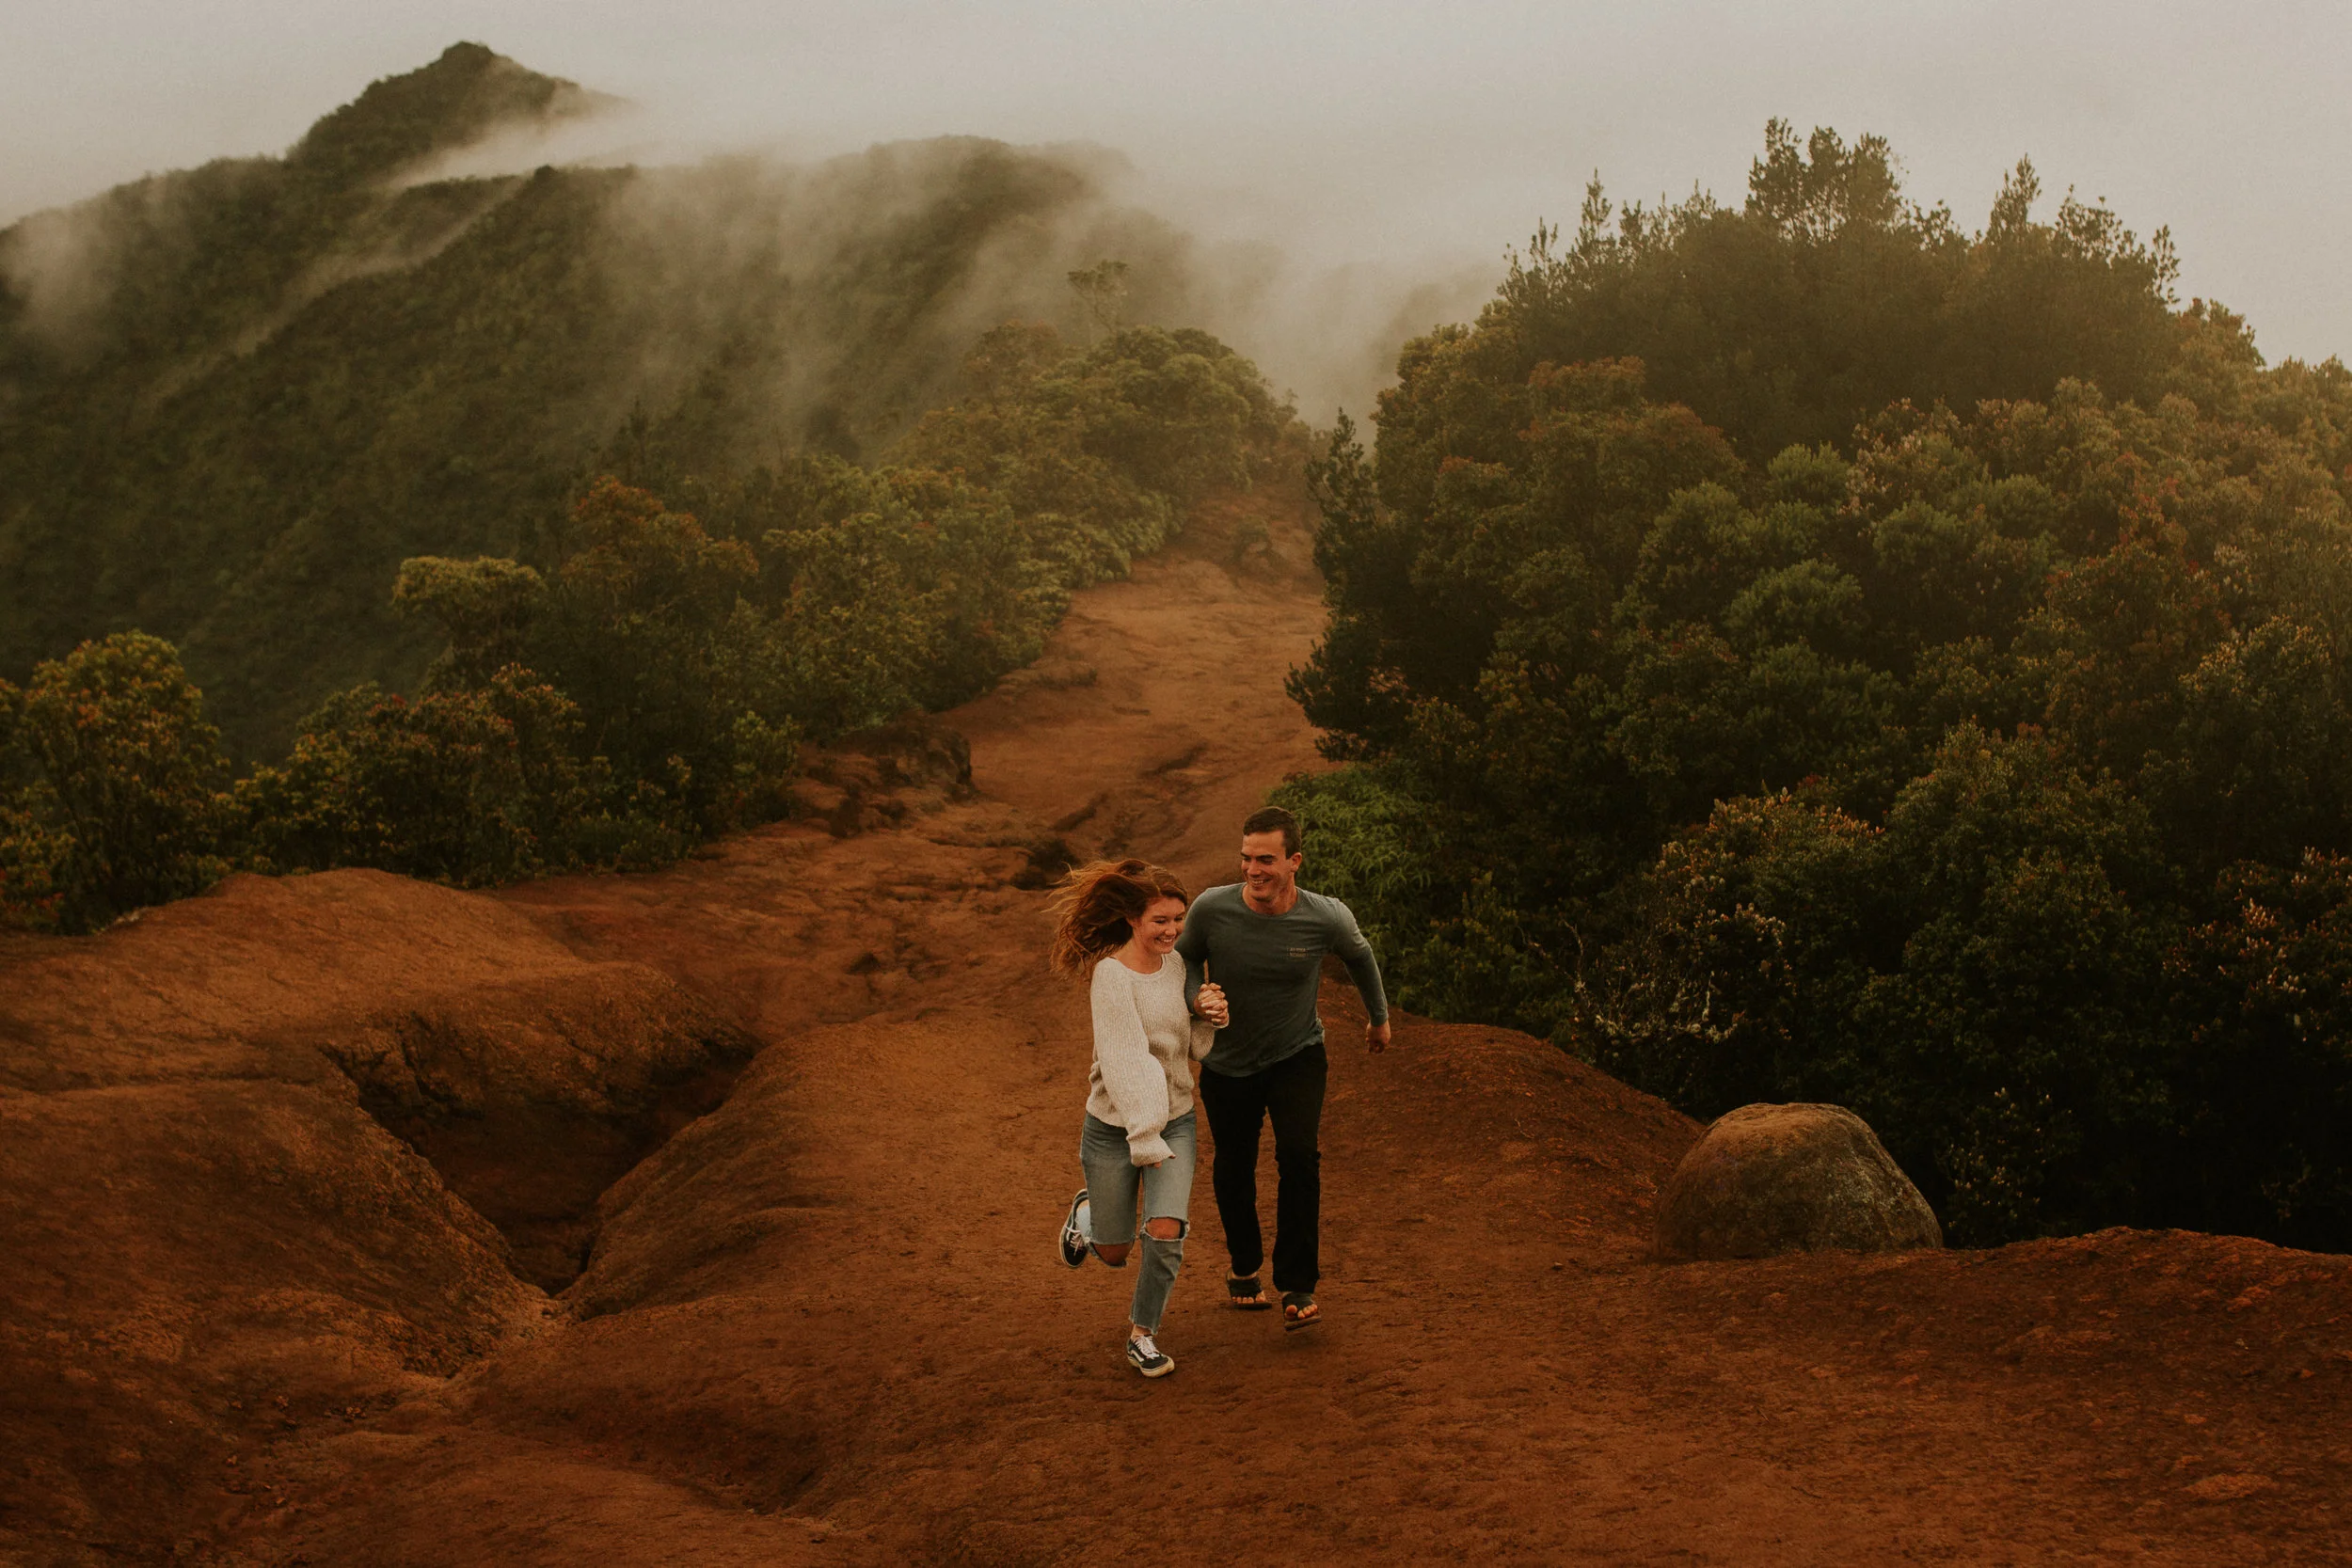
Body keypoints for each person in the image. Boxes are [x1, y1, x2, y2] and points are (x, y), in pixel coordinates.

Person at [1176, 805, 1389, 1332]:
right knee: (1233, 1165)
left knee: (1298, 1155)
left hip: (1297, 1053)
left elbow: (1361, 957)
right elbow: (1180, 961)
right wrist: (1196, 1000)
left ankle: (1297, 1284)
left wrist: (1378, 1020)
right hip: (1227, 1061)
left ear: (1294, 861)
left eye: (1266, 860)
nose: (1253, 870)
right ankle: (1245, 1269)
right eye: (1247, 859)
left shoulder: (1325, 916)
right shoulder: (1212, 909)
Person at [1047, 858, 1231, 1378]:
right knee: (1113, 1251)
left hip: (1174, 1119)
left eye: (1179, 919)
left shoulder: (1177, 967)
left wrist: (1211, 1013)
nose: (1173, 930)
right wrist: (1143, 1136)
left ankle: (1142, 1334)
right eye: (1161, 921)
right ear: (1132, 919)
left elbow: (1189, 1046)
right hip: (1114, 1126)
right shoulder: (1110, 978)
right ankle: (1089, 1218)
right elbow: (1127, 1060)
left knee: (1166, 1228)